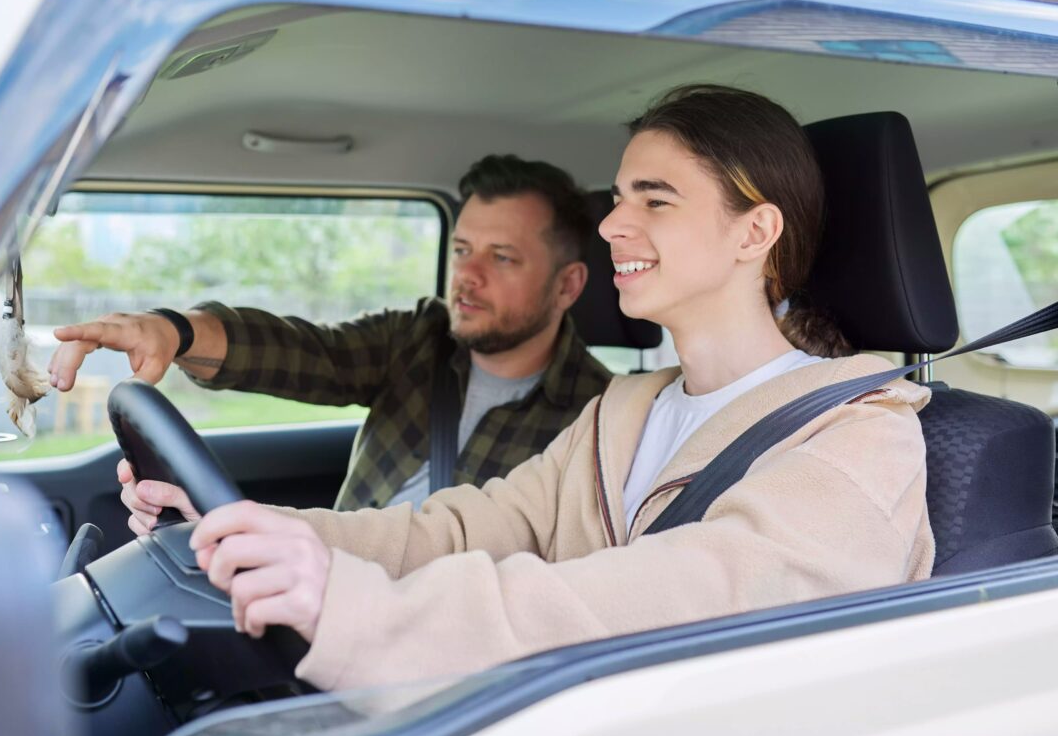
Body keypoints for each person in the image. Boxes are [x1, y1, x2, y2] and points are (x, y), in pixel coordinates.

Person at [122, 85, 935, 691]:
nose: (613, 224)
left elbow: (675, 601)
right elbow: (459, 531)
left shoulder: (861, 436)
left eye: (655, 199)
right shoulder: (622, 410)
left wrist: (358, 607)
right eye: (618, 200)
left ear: (755, 232)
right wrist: (245, 530)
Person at [49, 156, 613, 520]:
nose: (467, 274)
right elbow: (305, 352)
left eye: (503, 257)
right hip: (320, 590)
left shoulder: (600, 419)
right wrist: (176, 330)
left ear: (567, 285)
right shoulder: (420, 338)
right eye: (462, 250)